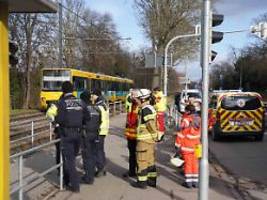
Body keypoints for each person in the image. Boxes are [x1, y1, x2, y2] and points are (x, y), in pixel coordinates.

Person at [54, 81, 88, 192]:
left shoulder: (62, 103)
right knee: (72, 158)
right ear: (73, 90)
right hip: (78, 134)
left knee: (70, 161)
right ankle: (69, 180)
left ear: (63, 91)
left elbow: (59, 119)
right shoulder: (81, 102)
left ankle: (74, 185)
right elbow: (87, 117)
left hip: (67, 134)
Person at [132, 89, 158, 189]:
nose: (136, 101)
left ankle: (141, 183)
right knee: (150, 161)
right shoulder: (149, 108)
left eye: (137, 99)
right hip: (149, 140)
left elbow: (150, 124)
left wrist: (155, 135)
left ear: (142, 99)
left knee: (142, 161)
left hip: (144, 140)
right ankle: (151, 181)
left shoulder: (145, 110)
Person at [175, 104, 201, 188]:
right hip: (197, 146)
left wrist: (177, 145)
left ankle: (188, 183)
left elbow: (181, 134)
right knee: (195, 164)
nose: (184, 112)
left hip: (187, 146)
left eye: (185, 110)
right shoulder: (198, 119)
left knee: (188, 164)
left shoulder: (186, 120)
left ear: (188, 111)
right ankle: (195, 182)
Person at [80, 90, 101, 184]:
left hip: (86, 134)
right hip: (95, 134)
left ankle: (88, 178)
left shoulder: (83, 108)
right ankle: (91, 174)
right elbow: (100, 121)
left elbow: (80, 121)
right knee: (92, 155)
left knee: (87, 156)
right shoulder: (96, 108)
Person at [91, 88, 109, 177]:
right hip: (103, 130)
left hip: (99, 130)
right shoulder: (103, 103)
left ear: (96, 95)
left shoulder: (98, 106)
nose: (91, 96)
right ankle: (102, 167)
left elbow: (97, 119)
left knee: (97, 150)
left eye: (93, 95)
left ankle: (100, 169)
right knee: (100, 150)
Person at [123, 89, 140, 177]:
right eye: (131, 95)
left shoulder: (140, 106)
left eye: (133, 95)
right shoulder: (131, 105)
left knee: (138, 156)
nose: (131, 96)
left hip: (137, 136)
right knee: (131, 155)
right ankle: (131, 171)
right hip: (130, 135)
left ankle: (139, 173)